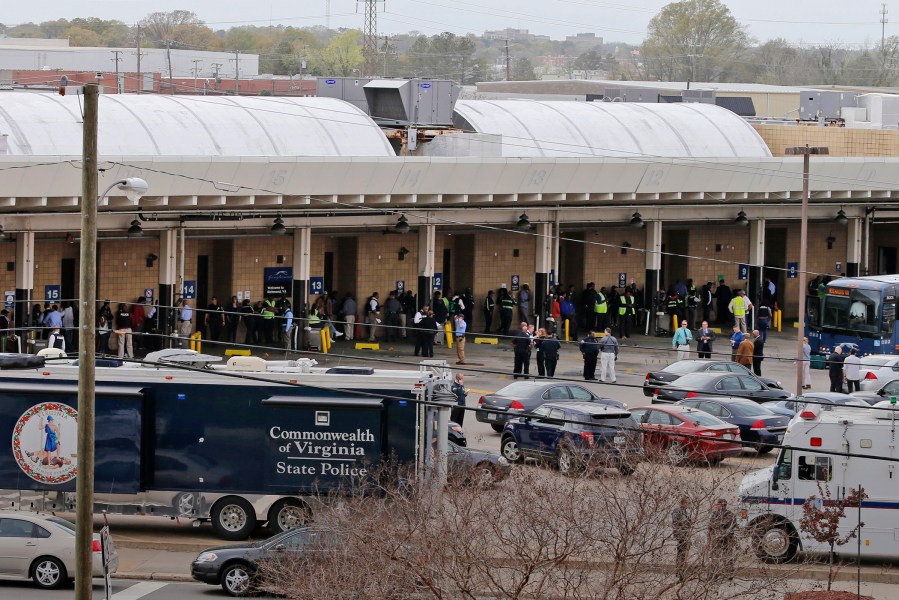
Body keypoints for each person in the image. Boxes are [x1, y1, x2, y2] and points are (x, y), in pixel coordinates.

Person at [707, 499, 738, 576]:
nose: (716, 506)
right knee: (718, 556)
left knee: (724, 556)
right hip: (720, 538)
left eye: (717, 504)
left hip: (725, 539)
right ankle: (718, 573)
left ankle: (725, 573)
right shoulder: (716, 514)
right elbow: (710, 527)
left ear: (721, 505)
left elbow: (730, 525)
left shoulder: (729, 514)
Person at [671, 496, 692, 581]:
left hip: (685, 535)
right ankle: (680, 572)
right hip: (680, 535)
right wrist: (685, 524)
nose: (688, 504)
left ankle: (680, 571)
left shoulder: (685, 512)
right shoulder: (677, 510)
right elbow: (675, 521)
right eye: (687, 502)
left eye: (689, 503)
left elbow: (689, 523)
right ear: (683, 503)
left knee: (682, 554)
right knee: (681, 554)